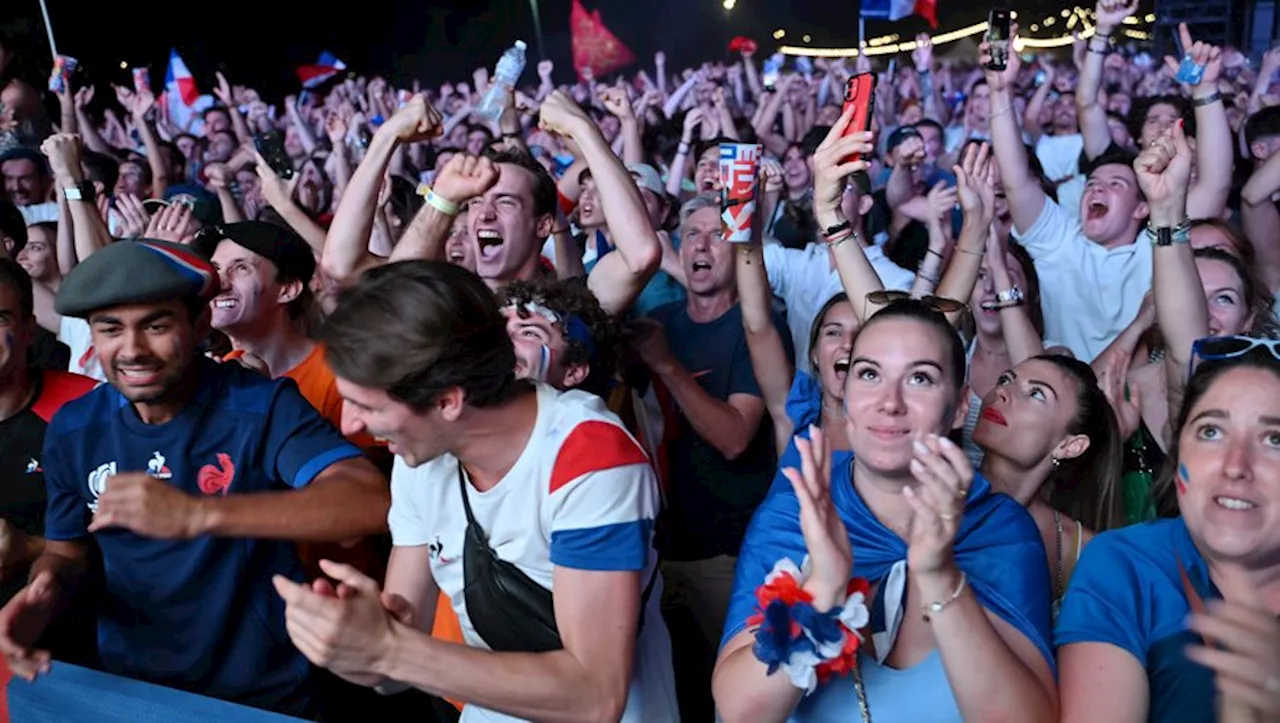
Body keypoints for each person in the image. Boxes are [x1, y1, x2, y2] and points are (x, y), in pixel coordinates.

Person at [0, 238, 390, 717]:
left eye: (156, 325)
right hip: (130, 689)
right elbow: (68, 549)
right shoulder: (75, 427)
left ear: (201, 324)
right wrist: (42, 593)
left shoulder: (259, 406)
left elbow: (367, 500)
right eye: (109, 330)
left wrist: (196, 513)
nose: (132, 350)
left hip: (263, 693)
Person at [276, 261, 679, 722]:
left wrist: (390, 651)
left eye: (367, 406)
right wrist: (355, 638)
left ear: (447, 400)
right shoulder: (419, 456)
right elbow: (398, 663)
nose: (349, 425)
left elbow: (594, 696)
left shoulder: (588, 455)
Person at [714, 300, 1057, 722]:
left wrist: (938, 574)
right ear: (846, 391)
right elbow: (739, 713)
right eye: (869, 374)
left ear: (960, 405)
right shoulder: (796, 510)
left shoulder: (999, 528)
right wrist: (822, 589)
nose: (889, 402)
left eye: (920, 378)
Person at [1056, 339, 1280, 722]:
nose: (1235, 466)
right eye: (1211, 432)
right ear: (1177, 455)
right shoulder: (1125, 564)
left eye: (1275, 439)